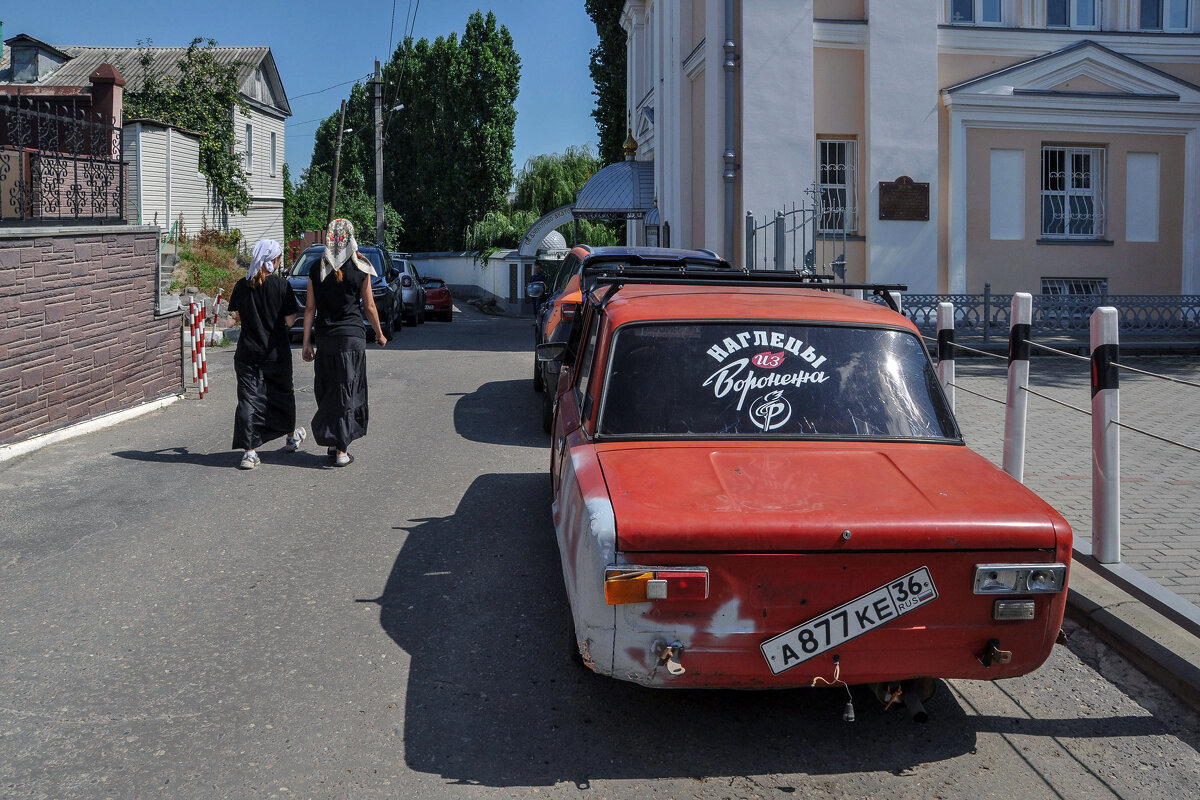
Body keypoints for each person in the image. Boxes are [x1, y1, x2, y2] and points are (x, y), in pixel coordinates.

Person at [302, 218, 388, 467]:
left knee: (329, 390)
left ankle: (333, 441)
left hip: (326, 339)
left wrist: (307, 342)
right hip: (351, 339)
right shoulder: (361, 267)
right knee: (349, 391)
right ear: (350, 238)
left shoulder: (316, 269)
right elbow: (370, 307)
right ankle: (341, 451)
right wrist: (380, 334)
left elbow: (309, 308)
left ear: (329, 238)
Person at [227, 238, 305, 469]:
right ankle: (291, 438)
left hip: (248, 352)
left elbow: (238, 316)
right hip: (276, 352)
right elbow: (290, 320)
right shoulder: (282, 285)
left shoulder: (242, 285)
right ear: (274, 260)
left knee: (248, 400)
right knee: (282, 394)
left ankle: (249, 452)